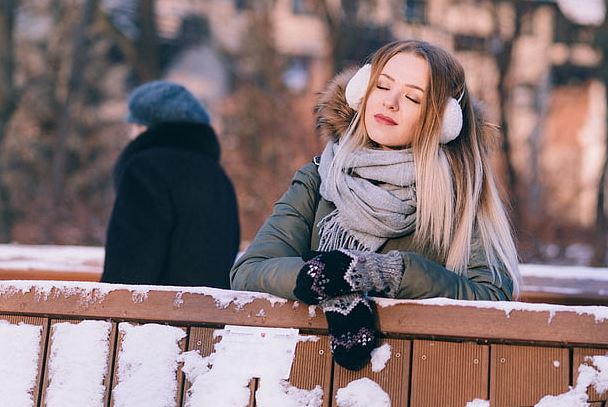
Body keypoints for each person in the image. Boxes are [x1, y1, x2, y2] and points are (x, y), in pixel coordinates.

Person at [230, 40, 520, 370]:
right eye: (381, 85)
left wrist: (391, 273)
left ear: (443, 122)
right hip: (304, 376)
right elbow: (250, 270)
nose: (390, 102)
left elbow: (492, 298)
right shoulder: (318, 178)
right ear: (361, 92)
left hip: (418, 379)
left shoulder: (461, 195)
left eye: (412, 97)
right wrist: (328, 279)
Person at [102, 80, 240, 289]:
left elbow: (128, 269)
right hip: (211, 316)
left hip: (154, 318)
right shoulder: (218, 177)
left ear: (144, 128)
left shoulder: (144, 170)